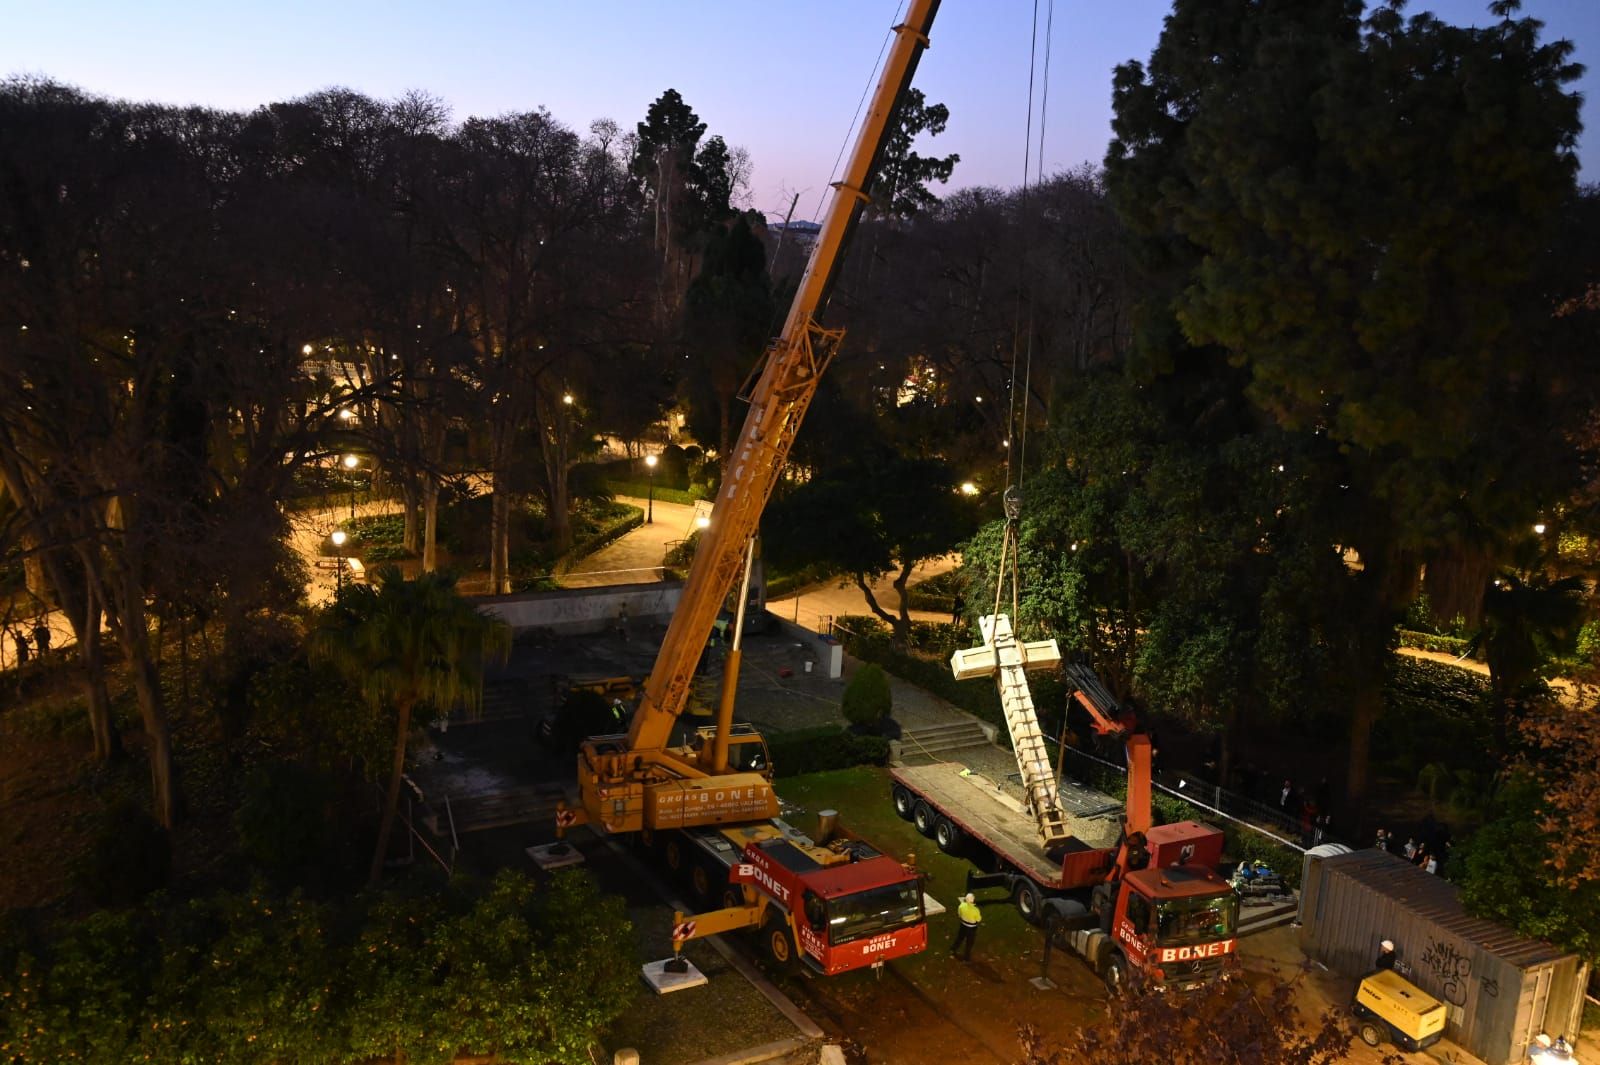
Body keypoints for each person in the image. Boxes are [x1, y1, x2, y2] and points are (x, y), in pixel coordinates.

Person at [951, 893, 982, 961]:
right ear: (973, 900)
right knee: (969, 943)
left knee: (959, 938)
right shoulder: (975, 910)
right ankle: (966, 958)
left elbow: (959, 914)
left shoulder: (961, 905)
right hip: (971, 928)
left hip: (963, 925)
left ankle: (953, 949)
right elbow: (978, 919)